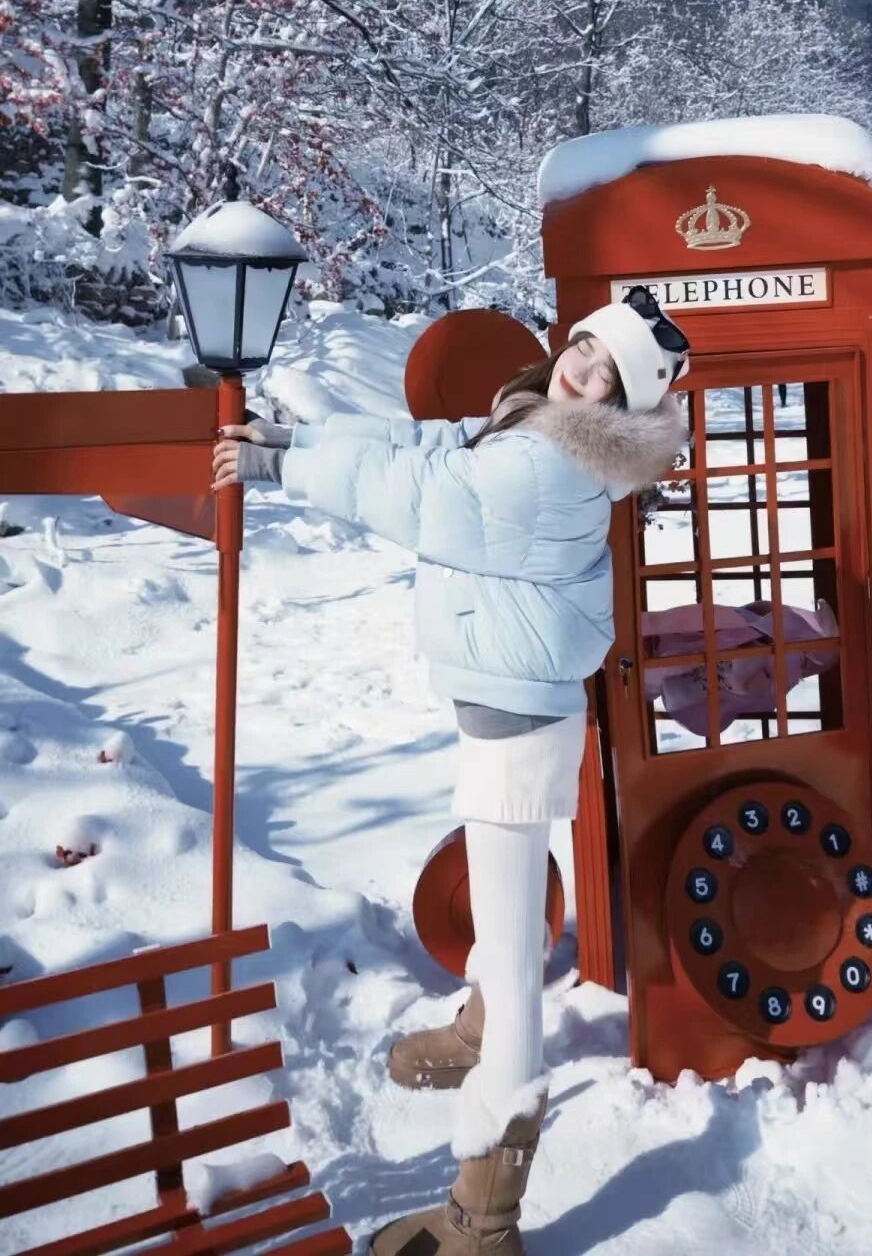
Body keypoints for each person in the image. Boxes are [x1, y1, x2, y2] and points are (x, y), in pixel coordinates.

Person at [211, 285, 689, 1255]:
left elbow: (423, 499)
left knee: (515, 961)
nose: (583, 370)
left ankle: (483, 1215)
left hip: (515, 724)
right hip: (514, 704)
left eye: (608, 375)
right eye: (584, 347)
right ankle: (475, 1032)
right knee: (503, 927)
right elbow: (436, 446)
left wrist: (283, 469)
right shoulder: (537, 417)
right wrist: (304, 435)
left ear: (627, 404)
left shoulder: (552, 462)